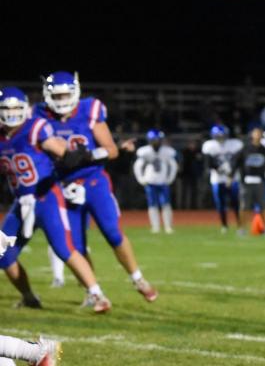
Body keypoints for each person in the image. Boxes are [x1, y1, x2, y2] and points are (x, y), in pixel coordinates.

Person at [35, 72, 157, 304]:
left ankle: (138, 278)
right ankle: (93, 293)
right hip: (64, 186)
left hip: (93, 181)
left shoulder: (89, 110)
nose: (61, 100)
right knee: (76, 245)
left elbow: (111, 150)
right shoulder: (39, 115)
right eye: (57, 95)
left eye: (65, 94)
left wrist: (86, 156)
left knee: (112, 232)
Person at [0, 87, 112, 313]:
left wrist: (80, 156)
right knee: (3, 253)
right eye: (6, 108)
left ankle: (97, 295)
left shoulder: (35, 128)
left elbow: (64, 153)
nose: (11, 113)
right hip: (21, 203)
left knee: (63, 248)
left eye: (15, 108)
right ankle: (29, 297)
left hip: (46, 197)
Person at [133, 129, 177, 234]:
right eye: (154, 140)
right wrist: (140, 178)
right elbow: (138, 166)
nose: (156, 142)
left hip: (163, 181)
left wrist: (170, 178)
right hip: (150, 181)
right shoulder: (144, 151)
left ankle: (168, 226)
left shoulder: (167, 151)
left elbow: (173, 165)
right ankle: (155, 226)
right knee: (152, 205)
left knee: (166, 204)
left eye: (158, 140)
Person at [202, 125, 241, 232]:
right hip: (217, 178)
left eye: (222, 135)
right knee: (220, 203)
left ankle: (239, 224)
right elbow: (208, 163)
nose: (220, 138)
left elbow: (238, 161)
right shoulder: (209, 145)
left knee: (236, 202)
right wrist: (220, 170)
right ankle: (224, 225)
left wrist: (231, 174)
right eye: (218, 136)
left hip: (232, 178)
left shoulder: (234, 144)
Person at [234, 128, 265, 234]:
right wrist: (231, 176)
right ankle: (241, 228)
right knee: (244, 207)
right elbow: (236, 163)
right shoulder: (245, 149)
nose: (258, 136)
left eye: (260, 134)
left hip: (260, 181)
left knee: (263, 206)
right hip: (246, 181)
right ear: (252, 135)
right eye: (256, 134)